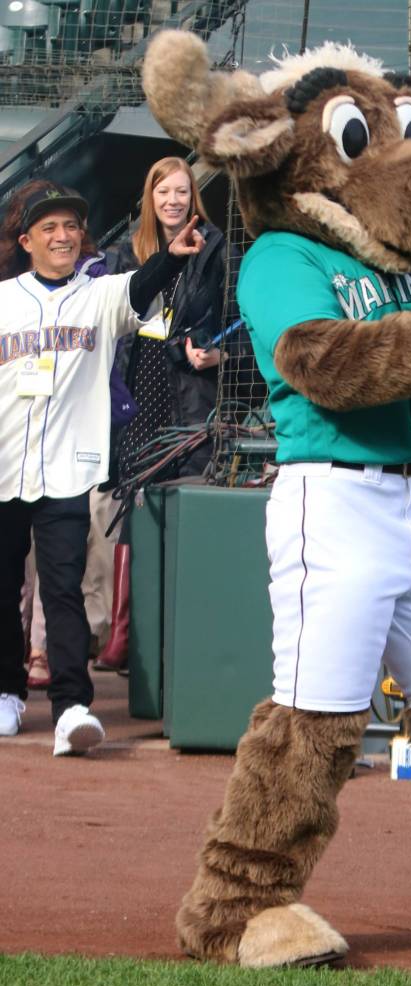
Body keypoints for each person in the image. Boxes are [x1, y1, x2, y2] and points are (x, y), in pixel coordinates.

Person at [0, 180, 204, 754]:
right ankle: (8, 692)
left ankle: (71, 707)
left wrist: (171, 256)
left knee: (63, 589)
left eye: (71, 226)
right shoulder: (4, 299)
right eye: (50, 228)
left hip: (66, 468)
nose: (64, 236)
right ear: (27, 240)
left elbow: (142, 285)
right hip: (3, 464)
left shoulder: (99, 294)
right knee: (2, 589)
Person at [94, 156, 234, 672]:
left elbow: (241, 325)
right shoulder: (122, 252)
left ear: (193, 196)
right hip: (137, 382)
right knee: (134, 503)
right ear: (149, 199)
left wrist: (219, 355)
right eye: (163, 193)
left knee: (184, 502)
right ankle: (125, 632)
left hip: (189, 387)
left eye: (181, 192)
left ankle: (178, 635)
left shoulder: (217, 248)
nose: (173, 202)